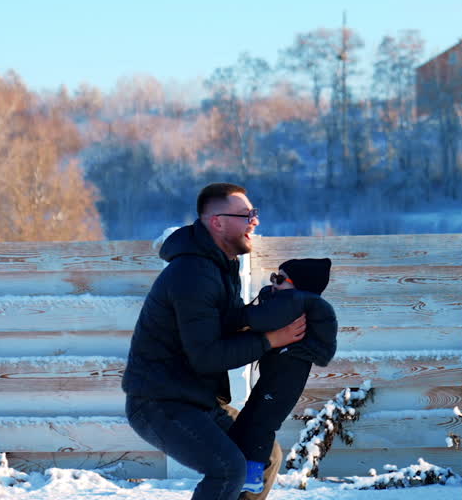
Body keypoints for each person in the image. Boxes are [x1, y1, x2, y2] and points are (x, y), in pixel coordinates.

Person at [123, 183, 307, 500]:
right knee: (228, 468)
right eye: (245, 214)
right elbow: (207, 356)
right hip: (160, 404)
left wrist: (272, 313)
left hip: (197, 401)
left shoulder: (219, 267)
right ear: (217, 222)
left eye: (255, 213)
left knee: (262, 455)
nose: (255, 221)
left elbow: (229, 324)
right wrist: (271, 339)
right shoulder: (192, 273)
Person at [228, 258, 338, 492]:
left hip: (285, 378)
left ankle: (253, 475)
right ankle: (244, 470)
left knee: (261, 422)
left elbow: (260, 319)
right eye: (272, 278)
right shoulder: (294, 301)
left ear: (299, 286)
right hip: (278, 374)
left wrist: (234, 317)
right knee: (251, 418)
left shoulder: (296, 301)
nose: (273, 283)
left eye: (279, 279)